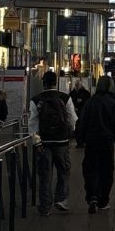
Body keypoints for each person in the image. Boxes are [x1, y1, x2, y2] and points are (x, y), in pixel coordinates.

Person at [28, 70, 77, 215]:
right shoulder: (65, 98)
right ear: (56, 82)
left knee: (45, 174)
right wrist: (69, 133)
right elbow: (72, 119)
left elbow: (32, 124)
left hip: (44, 142)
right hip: (62, 141)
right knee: (64, 171)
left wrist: (37, 142)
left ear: (43, 83)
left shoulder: (35, 100)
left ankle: (45, 207)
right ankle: (61, 199)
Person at [75, 75, 115, 214]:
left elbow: (82, 121)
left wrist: (81, 139)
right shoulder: (114, 104)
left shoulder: (90, 102)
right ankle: (103, 201)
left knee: (90, 169)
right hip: (107, 142)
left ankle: (92, 196)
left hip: (91, 141)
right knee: (106, 171)